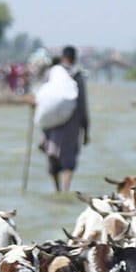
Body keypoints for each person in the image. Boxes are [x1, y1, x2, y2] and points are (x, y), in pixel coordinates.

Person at [34, 45, 90, 192]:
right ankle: (65, 190)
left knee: (52, 154)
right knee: (68, 159)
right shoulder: (77, 75)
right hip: (71, 122)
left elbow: (42, 95)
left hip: (50, 122)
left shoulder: (52, 72)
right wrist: (86, 130)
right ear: (74, 58)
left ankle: (56, 189)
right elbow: (82, 104)